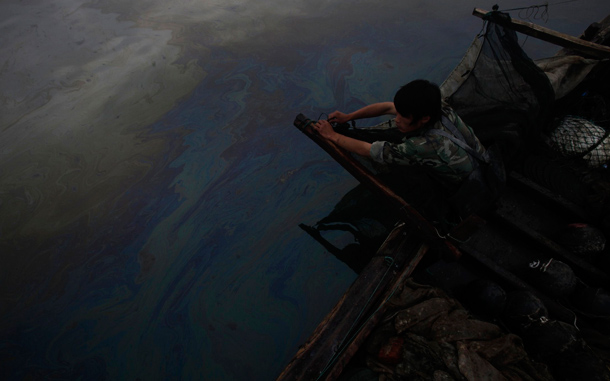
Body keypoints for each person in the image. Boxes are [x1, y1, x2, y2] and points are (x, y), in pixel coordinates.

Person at [313, 79, 488, 226]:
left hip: (470, 191)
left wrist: (333, 136)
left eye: (402, 116)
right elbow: (386, 108)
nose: (396, 119)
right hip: (484, 163)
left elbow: (368, 150)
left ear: (424, 118)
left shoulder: (420, 147)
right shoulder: (439, 108)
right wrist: (348, 117)